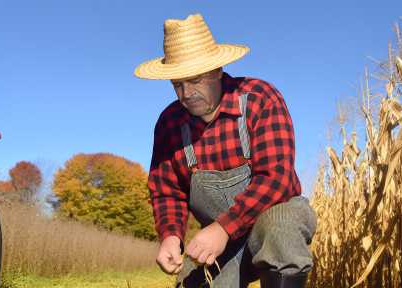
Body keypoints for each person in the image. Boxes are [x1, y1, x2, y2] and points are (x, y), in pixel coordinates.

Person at [135, 14, 317, 288]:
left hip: (268, 223)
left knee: (282, 226)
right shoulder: (168, 124)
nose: (186, 93)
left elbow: (275, 178)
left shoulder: (260, 98)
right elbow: (166, 191)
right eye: (177, 84)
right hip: (222, 242)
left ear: (218, 70)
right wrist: (171, 235)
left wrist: (223, 228)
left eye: (195, 80)